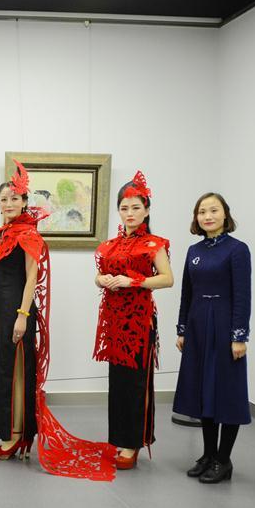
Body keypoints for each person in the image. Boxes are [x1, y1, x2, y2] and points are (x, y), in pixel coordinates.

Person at [0, 161, 117, 480]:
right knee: (3, 370)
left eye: (14, 198)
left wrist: (23, 315)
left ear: (24, 202)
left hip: (18, 311)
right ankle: (13, 434)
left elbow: (30, 276)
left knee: (17, 373)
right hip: (1, 308)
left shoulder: (27, 234)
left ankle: (17, 435)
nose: (9, 203)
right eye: (4, 199)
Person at [93, 171, 173, 470]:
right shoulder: (110, 245)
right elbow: (99, 276)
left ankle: (132, 443)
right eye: (124, 208)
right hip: (114, 320)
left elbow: (167, 279)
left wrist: (133, 281)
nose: (129, 213)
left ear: (147, 210)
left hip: (139, 323)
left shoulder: (154, 244)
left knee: (137, 382)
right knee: (118, 382)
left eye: (135, 207)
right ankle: (118, 438)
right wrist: (102, 279)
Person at [173, 192, 251, 483]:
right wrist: (182, 329)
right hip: (197, 325)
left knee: (226, 392)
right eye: (202, 211)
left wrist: (239, 336)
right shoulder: (194, 250)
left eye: (213, 210)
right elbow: (186, 293)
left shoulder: (238, 249)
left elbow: (243, 295)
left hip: (224, 324)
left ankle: (224, 459)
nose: (207, 216)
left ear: (225, 214)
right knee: (202, 390)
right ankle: (207, 454)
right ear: (196, 218)